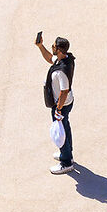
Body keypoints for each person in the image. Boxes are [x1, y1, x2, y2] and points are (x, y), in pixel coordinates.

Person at [36, 32, 75, 174]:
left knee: (61, 131)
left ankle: (66, 162)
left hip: (62, 105)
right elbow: (49, 58)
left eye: (53, 46)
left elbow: (64, 91)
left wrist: (58, 109)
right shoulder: (65, 59)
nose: (52, 47)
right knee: (65, 126)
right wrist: (40, 46)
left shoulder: (61, 72)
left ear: (59, 50)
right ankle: (67, 153)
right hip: (66, 102)